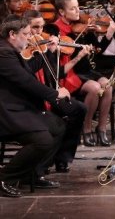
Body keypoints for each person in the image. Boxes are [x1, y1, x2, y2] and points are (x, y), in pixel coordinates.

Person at [0, 16, 69, 197]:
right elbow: (26, 82)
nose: (30, 38)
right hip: (7, 112)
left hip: (19, 107)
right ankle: (5, 178)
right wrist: (55, 94)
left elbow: (28, 73)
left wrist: (48, 53)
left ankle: (32, 173)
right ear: (12, 34)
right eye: (26, 34)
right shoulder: (3, 53)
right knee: (42, 141)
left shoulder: (10, 50)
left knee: (58, 126)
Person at [23, 10, 87, 174]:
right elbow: (28, 72)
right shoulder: (22, 49)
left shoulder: (43, 47)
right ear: (25, 28)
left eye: (41, 27)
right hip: (34, 99)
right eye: (35, 27)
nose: (39, 32)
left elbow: (56, 73)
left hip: (50, 94)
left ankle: (62, 158)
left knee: (79, 109)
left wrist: (55, 53)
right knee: (58, 122)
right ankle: (42, 165)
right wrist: (45, 52)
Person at [54, 0, 114, 146]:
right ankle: (86, 129)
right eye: (72, 9)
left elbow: (98, 50)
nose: (77, 12)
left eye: (78, 8)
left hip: (86, 70)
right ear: (62, 12)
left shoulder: (83, 26)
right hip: (70, 73)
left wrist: (107, 34)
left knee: (108, 85)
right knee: (95, 88)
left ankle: (101, 129)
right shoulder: (57, 30)